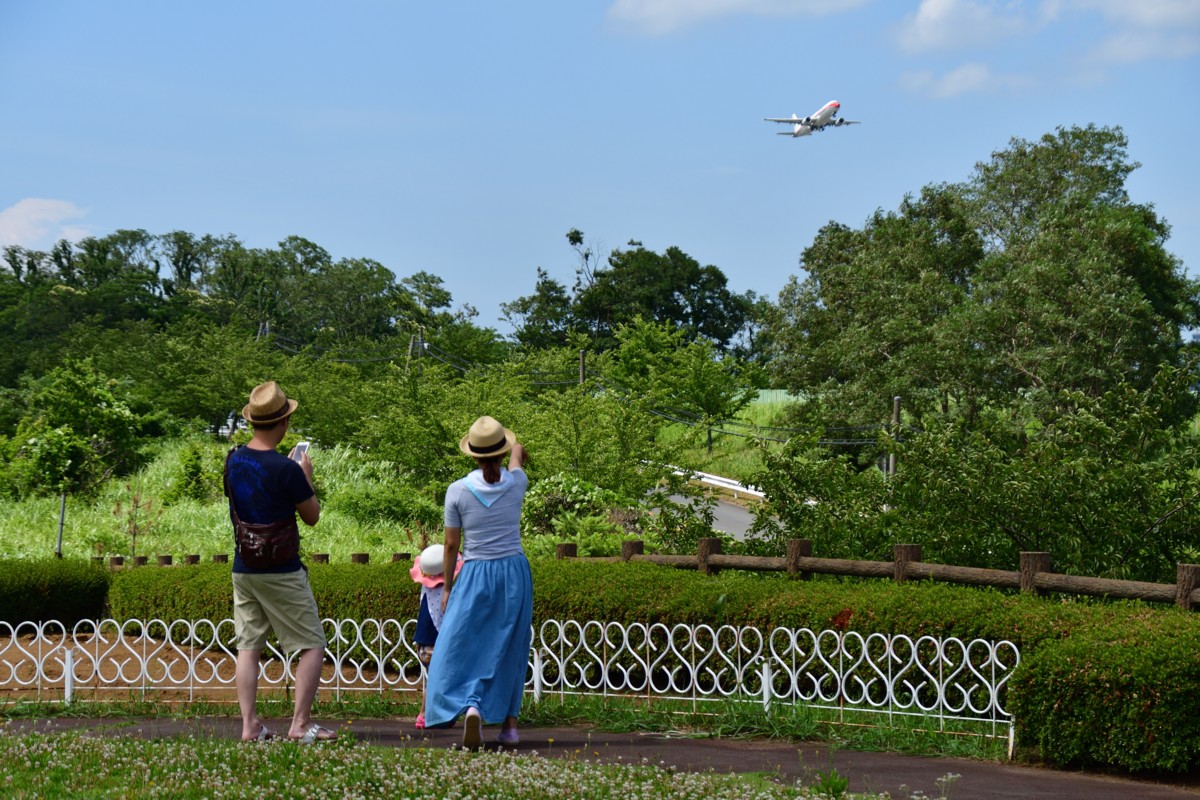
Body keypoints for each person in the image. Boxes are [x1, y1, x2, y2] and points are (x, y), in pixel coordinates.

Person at [224, 381, 336, 744]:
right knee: (312, 644)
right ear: (284, 422)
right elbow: (312, 516)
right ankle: (300, 725)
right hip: (282, 569)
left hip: (244, 566)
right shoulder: (287, 469)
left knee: (248, 646)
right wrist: (305, 479)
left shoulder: (234, 460)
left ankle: (250, 726)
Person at [423, 415, 532, 750]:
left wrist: (449, 589)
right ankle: (509, 726)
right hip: (514, 572)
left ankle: (469, 704)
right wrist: (518, 450)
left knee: (462, 644)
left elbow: (452, 545)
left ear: (472, 454)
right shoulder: (517, 483)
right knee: (509, 646)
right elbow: (516, 461)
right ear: (500, 453)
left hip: (474, 572)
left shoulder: (457, 491)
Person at [409, 543, 462, 729]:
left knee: (435, 677)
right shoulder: (444, 592)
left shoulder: (425, 589)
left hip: (422, 643)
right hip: (435, 642)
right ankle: (426, 714)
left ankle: (433, 714)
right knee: (438, 678)